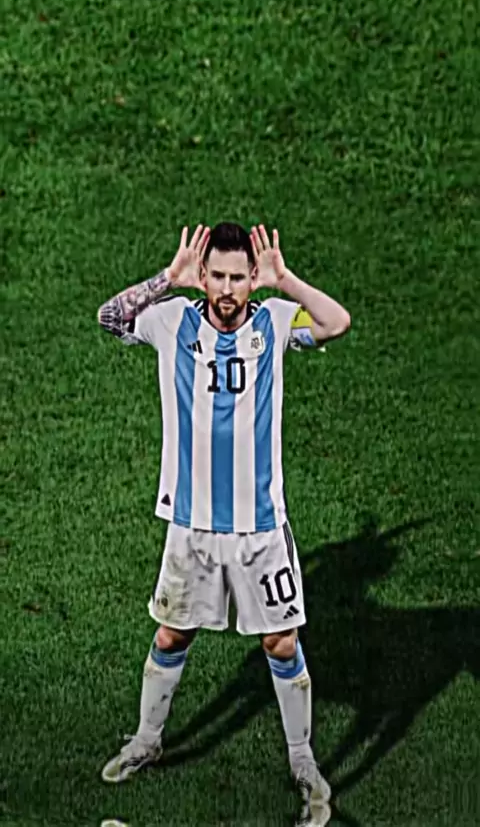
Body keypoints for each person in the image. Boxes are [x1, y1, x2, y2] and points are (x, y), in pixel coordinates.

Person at [97, 222, 351, 827]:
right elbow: (109, 318)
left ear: (252, 277)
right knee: (171, 635)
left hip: (260, 528)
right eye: (219, 276)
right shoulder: (172, 320)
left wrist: (286, 280)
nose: (229, 288)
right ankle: (147, 740)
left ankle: (303, 761)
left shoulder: (274, 323)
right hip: (191, 526)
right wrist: (168, 278)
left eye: (240, 277)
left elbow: (337, 322)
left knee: (281, 643)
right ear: (204, 276)